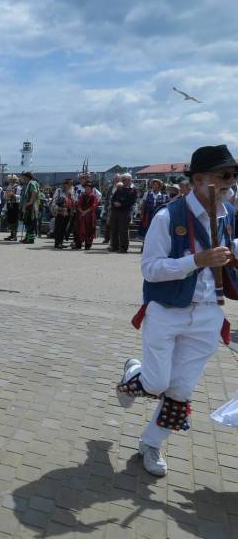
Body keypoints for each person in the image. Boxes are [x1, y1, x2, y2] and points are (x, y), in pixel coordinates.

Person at [116, 144, 238, 476]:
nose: (230, 182)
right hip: (167, 309)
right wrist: (196, 261)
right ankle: (132, 375)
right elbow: (150, 269)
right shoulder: (167, 216)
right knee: (156, 383)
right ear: (198, 179)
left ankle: (151, 444)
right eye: (224, 175)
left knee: (181, 389)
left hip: (209, 313)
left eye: (233, 176)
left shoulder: (228, 214)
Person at [109, 173, 138, 253]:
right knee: (114, 229)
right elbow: (113, 198)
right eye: (123, 180)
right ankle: (114, 246)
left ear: (130, 180)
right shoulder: (120, 188)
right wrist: (114, 203)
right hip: (115, 211)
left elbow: (132, 201)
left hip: (125, 212)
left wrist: (121, 204)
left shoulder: (133, 189)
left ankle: (123, 247)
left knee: (123, 230)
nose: (125, 181)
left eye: (126, 180)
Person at [74, 182, 99, 250]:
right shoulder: (82, 196)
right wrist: (81, 211)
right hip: (81, 216)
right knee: (79, 229)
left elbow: (94, 205)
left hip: (90, 216)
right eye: (86, 188)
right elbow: (78, 205)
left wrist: (85, 212)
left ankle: (88, 244)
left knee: (89, 230)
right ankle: (78, 244)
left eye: (88, 188)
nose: (87, 189)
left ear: (91, 189)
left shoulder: (93, 196)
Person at [51, 179, 75, 249]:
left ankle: (60, 243)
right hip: (60, 210)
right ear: (65, 184)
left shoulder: (72, 191)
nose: (71, 185)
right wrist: (58, 208)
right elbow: (54, 201)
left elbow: (73, 200)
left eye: (72, 183)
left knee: (64, 227)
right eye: (70, 183)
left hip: (68, 211)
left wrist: (72, 209)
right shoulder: (59, 191)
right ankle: (57, 243)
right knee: (59, 227)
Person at [19, 171, 39, 244]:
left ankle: (30, 239)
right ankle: (27, 237)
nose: (23, 178)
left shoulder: (32, 183)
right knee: (26, 222)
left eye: (24, 177)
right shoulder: (26, 184)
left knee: (30, 222)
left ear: (27, 177)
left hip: (30, 206)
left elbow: (34, 191)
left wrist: (30, 201)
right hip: (26, 205)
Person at [102, 174, 122, 243]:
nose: (116, 180)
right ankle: (107, 238)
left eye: (118, 178)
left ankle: (114, 239)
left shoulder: (121, 187)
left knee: (115, 224)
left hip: (118, 208)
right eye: (115, 178)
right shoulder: (110, 187)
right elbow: (107, 198)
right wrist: (105, 207)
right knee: (108, 223)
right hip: (110, 208)